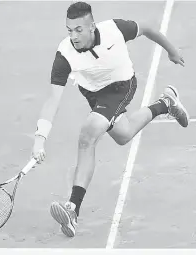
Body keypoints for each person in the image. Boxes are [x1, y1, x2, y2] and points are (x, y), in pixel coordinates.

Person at [32, 1, 189, 237]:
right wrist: (40, 137)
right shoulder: (64, 55)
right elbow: (52, 100)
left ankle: (73, 208)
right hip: (94, 94)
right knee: (123, 135)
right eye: (69, 30)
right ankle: (166, 104)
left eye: (78, 30)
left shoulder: (114, 29)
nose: (73, 36)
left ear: (92, 26)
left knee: (88, 134)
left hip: (121, 85)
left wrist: (171, 50)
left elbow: (146, 28)